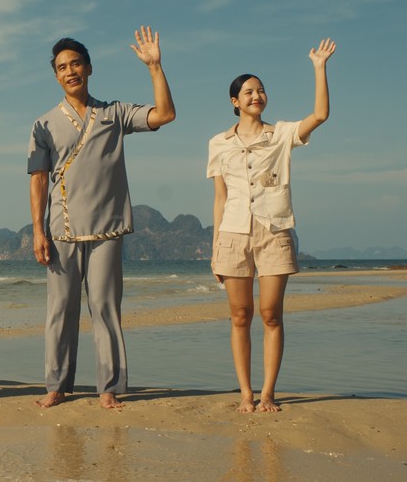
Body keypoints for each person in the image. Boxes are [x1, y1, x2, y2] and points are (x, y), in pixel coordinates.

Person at [28, 27, 177, 409]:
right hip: (61, 229)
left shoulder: (114, 113)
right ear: (56, 76)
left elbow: (165, 114)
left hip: (108, 228)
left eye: (76, 63)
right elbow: (38, 180)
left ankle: (108, 387)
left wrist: (155, 67)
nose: (70, 71)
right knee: (60, 312)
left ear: (89, 68)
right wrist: (38, 231)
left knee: (105, 309)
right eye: (62, 67)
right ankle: (56, 385)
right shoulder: (43, 124)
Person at [208, 39, 337, 413]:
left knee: (270, 314)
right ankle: (245, 394)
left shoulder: (280, 134)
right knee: (239, 316)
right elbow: (220, 197)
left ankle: (267, 393)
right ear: (235, 101)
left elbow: (321, 115)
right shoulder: (218, 143)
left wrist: (319, 67)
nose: (256, 95)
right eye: (248, 91)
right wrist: (216, 247)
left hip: (274, 231)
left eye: (261, 90)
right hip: (232, 233)